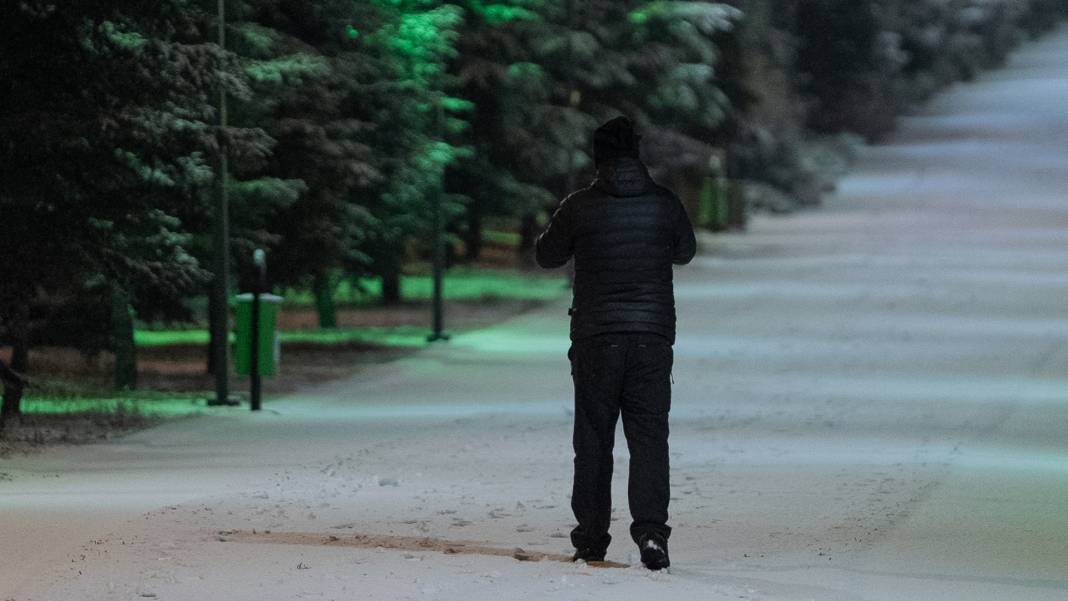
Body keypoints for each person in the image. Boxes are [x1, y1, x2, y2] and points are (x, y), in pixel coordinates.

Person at [535, 116, 696, 570]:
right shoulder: (664, 203)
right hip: (651, 336)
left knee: (593, 439)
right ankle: (650, 534)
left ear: (597, 155)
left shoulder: (579, 205)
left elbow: (546, 255)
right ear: (636, 153)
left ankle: (590, 538)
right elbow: (685, 251)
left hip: (596, 337)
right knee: (649, 439)